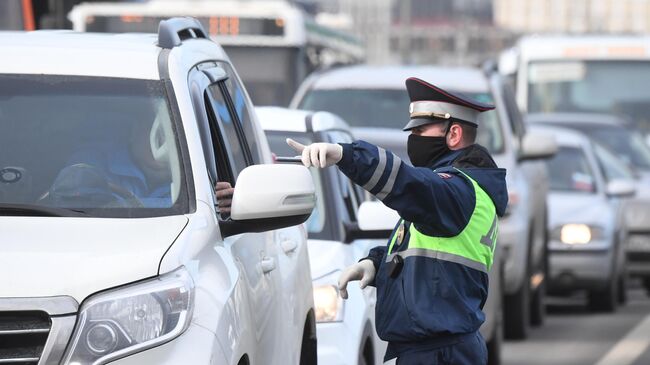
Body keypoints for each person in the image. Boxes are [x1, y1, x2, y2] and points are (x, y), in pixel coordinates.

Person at [287, 77, 508, 364]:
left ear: (453, 134)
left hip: (440, 353)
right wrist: (377, 264)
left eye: (421, 129)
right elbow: (430, 256)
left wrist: (347, 155)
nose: (413, 139)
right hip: (440, 349)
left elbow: (408, 183)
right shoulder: (457, 193)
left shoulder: (456, 191)